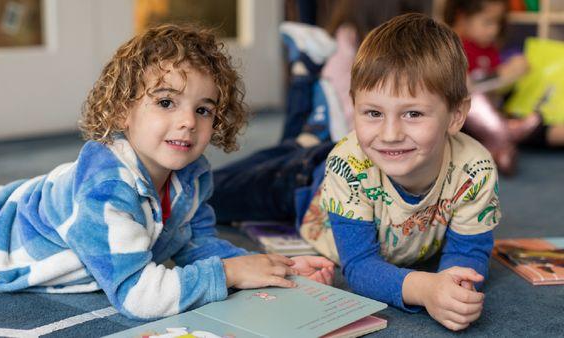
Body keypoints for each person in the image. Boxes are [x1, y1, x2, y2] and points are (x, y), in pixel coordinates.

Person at [0, 24, 334, 320]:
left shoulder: (193, 174)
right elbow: (139, 296)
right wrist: (231, 274)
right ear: (122, 110)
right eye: (166, 102)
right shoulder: (106, 186)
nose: (188, 121)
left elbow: (196, 244)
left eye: (203, 109)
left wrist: (274, 267)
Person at [215, 13, 500, 331]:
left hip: (338, 156)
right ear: (355, 106)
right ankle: (307, 80)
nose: (391, 133)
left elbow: (468, 251)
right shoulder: (347, 164)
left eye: (413, 113)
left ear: (456, 115)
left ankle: (311, 99)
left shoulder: (475, 170)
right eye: (373, 113)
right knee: (208, 193)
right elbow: (360, 265)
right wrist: (426, 289)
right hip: (299, 181)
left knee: (293, 143)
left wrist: (456, 286)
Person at [444, 0, 564, 174]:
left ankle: (503, 139)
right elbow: (460, 87)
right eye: (487, 22)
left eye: (498, 23)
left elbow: (496, 90)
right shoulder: (449, 46)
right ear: (461, 17)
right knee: (473, 101)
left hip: (494, 115)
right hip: (459, 119)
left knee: (533, 119)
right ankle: (506, 134)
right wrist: (500, 74)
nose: (494, 30)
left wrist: (510, 76)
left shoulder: (488, 49)